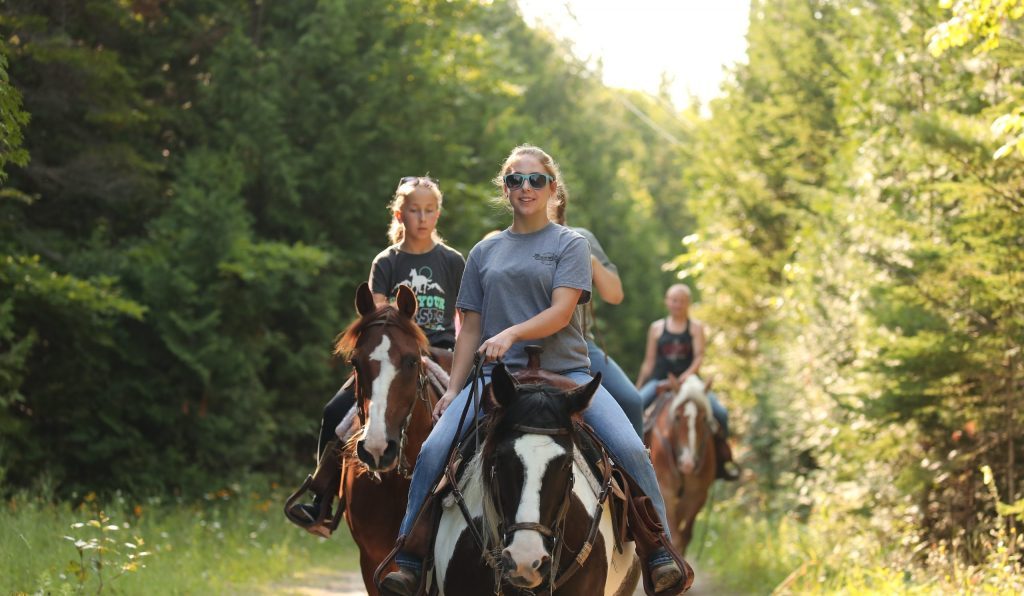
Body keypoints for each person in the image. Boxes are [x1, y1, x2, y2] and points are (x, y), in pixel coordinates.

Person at [379, 146, 689, 596]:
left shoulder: (571, 244)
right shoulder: (486, 250)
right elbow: (472, 328)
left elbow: (562, 313)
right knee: (433, 450)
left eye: (535, 180)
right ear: (505, 189)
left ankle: (659, 551)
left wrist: (512, 335)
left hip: (568, 378)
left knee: (630, 449)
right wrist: (457, 387)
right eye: (515, 180)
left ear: (552, 188)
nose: (525, 188)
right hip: (498, 382)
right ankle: (409, 556)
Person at [285, 176, 465, 530]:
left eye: (429, 210)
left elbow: (465, 314)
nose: (422, 217)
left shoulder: (452, 261)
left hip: (440, 353)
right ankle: (322, 498)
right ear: (400, 214)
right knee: (336, 410)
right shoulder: (386, 261)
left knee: (479, 410)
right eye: (414, 210)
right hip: (390, 357)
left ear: (438, 214)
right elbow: (377, 313)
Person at [549, 201, 644, 437]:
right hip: (526, 345)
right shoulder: (516, 240)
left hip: (581, 345)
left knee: (631, 400)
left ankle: (636, 470)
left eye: (538, 182)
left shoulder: (581, 238)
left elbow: (615, 295)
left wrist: (589, 260)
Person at [635, 284, 739, 481]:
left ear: (688, 303)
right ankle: (634, 459)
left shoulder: (695, 328)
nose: (677, 304)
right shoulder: (656, 328)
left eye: (681, 300)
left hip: (689, 381)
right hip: (660, 379)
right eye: (674, 300)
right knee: (636, 406)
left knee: (720, 413)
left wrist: (683, 377)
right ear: (667, 301)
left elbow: (699, 357)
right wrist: (638, 387)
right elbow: (648, 362)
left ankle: (723, 462)